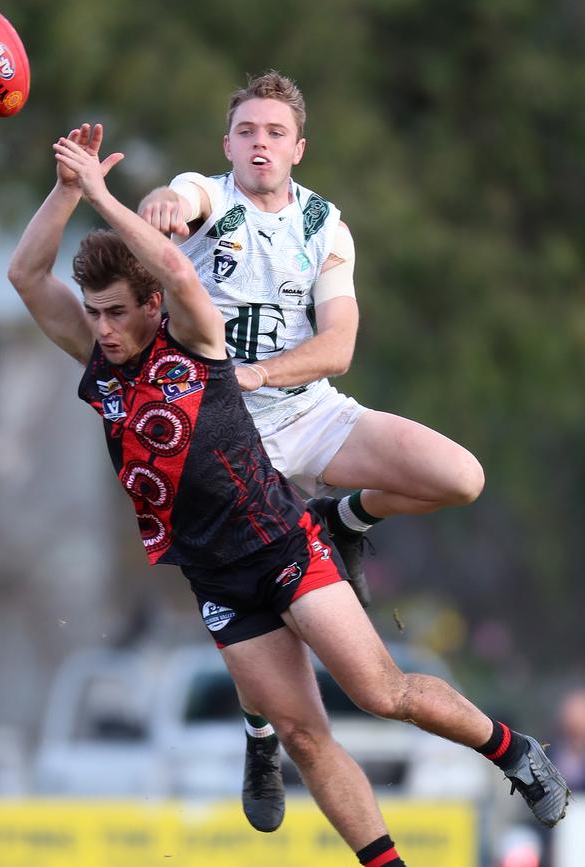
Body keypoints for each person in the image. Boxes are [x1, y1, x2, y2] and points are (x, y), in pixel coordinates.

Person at [8, 124, 569, 866]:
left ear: (152, 306)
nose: (103, 327)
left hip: (282, 545)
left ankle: (512, 748)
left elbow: (177, 266)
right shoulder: (97, 362)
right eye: (95, 312)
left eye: (116, 311)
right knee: (305, 736)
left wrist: (106, 194)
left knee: (381, 692)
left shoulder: (196, 340)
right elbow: (24, 274)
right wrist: (67, 188)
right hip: (217, 578)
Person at [138, 69, 486, 829]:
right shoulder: (205, 198)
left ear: (299, 147)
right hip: (222, 442)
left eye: (274, 132)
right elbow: (176, 199)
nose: (259, 142)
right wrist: (164, 202)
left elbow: (339, 347)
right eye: (246, 131)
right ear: (226, 143)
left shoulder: (326, 224)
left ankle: (346, 517)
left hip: (309, 412)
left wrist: (257, 372)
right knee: (266, 596)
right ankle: (261, 735)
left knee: (459, 476)